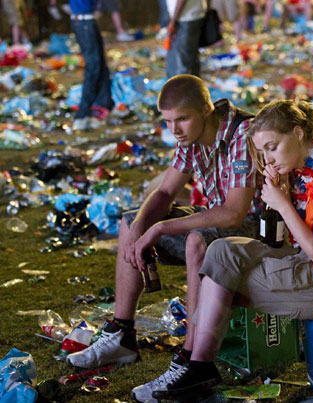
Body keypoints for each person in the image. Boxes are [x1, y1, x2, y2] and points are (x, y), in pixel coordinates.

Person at [145, 99, 313, 400]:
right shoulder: (305, 172)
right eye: (261, 152)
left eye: (272, 147)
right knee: (221, 251)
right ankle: (199, 365)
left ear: (298, 133)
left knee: (220, 279)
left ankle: (196, 365)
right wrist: (283, 195)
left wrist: (283, 204)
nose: (268, 159)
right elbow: (286, 242)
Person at [66, 74, 261, 401]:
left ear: (206, 109)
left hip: (257, 230)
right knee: (132, 221)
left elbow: (234, 213)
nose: (175, 129)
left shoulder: (243, 133)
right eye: (168, 121)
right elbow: (167, 190)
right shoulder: (189, 136)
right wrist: (142, 226)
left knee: (197, 239)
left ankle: (191, 361)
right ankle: (122, 335)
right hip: (218, 219)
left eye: (182, 119)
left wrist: (159, 229)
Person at [69, 0, 113, 131]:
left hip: (86, 20)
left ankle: (104, 106)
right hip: (84, 21)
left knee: (101, 65)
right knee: (93, 67)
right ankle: (82, 114)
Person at [165, 0, 206, 78]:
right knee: (190, 60)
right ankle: (194, 88)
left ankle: (184, 88)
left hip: (186, 17)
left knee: (182, 64)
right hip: (190, 15)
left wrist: (173, 21)